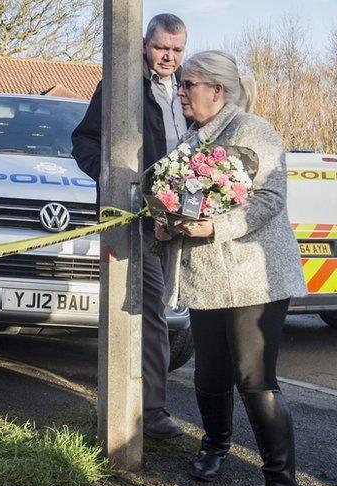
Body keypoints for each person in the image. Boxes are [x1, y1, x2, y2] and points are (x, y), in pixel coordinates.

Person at [156, 50, 308, 486]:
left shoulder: (253, 131)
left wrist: (215, 225)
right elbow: (183, 200)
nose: (180, 92)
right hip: (208, 279)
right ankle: (216, 446)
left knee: (254, 379)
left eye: (189, 84)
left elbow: (269, 198)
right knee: (210, 373)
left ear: (217, 91)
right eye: (181, 85)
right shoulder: (193, 140)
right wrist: (166, 224)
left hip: (252, 278)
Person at [72, 13, 189, 440]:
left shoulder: (188, 89)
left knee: (186, 311)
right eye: (162, 48)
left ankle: (207, 422)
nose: (169, 57)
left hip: (185, 219)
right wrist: (109, 177)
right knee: (151, 309)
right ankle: (152, 411)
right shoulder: (121, 87)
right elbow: (84, 139)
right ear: (145, 45)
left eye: (177, 50)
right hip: (137, 218)